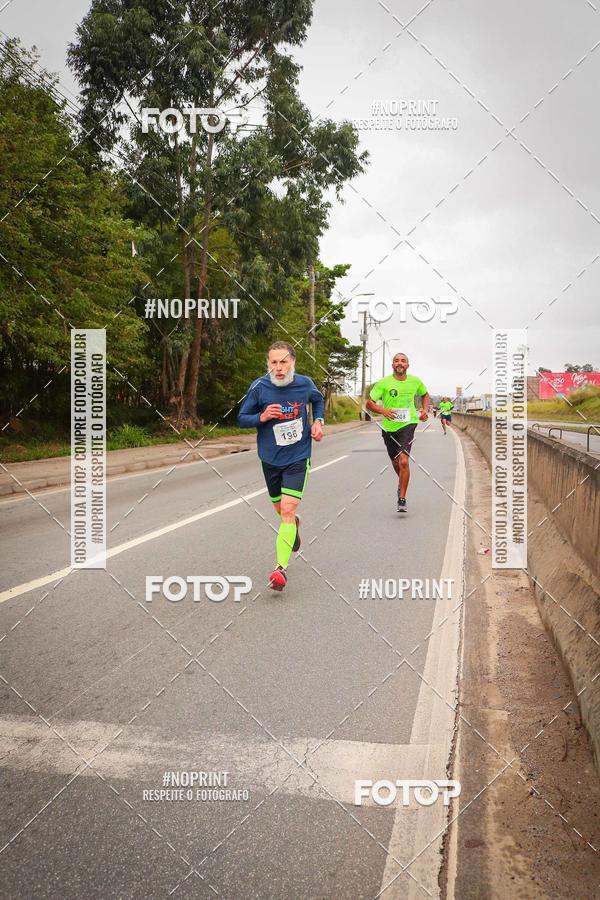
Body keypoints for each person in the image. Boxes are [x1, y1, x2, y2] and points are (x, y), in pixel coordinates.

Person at [237, 341, 325, 591]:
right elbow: (241, 418)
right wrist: (262, 416)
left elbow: (318, 400)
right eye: (273, 362)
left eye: (283, 362)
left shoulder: (304, 384)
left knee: (287, 508)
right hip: (270, 458)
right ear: (268, 364)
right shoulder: (259, 387)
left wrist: (318, 421)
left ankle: (280, 569)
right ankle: (293, 524)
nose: (278, 367)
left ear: (292, 363)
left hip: (298, 456)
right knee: (280, 510)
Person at [366, 352, 430, 514]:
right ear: (393, 365)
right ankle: (401, 483)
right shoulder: (384, 383)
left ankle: (402, 498)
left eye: (403, 361)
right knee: (396, 463)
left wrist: (424, 410)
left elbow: (425, 395)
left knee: (403, 461)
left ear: (407, 365)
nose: (399, 363)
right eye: (396, 361)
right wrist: (383, 410)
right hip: (389, 427)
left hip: (409, 423)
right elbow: (369, 403)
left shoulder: (415, 381)